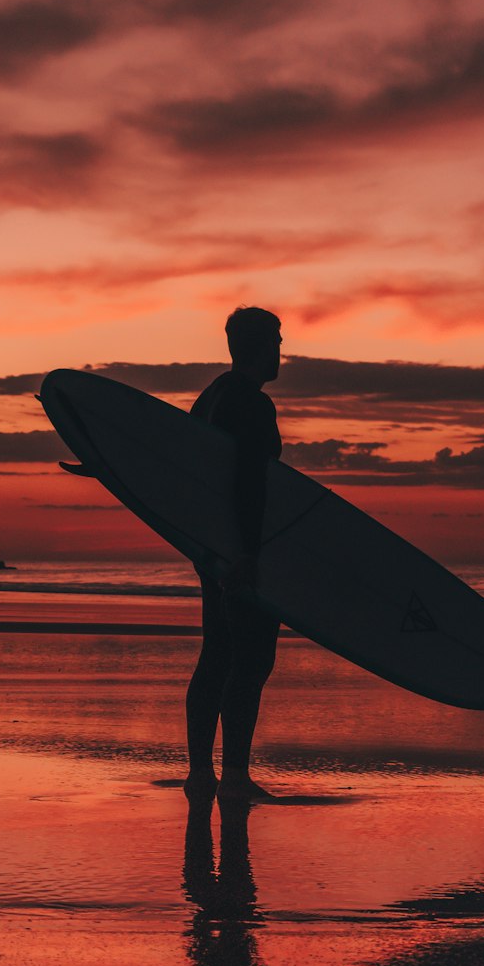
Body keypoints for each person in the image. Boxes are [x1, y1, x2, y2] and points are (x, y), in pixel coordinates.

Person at [185, 307, 282, 802]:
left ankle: (201, 774)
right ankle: (236, 778)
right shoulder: (250, 404)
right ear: (263, 345)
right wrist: (245, 554)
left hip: (211, 550)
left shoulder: (213, 396)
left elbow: (182, 468)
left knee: (217, 655)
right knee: (251, 659)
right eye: (278, 340)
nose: (281, 350)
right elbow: (247, 484)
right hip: (240, 550)